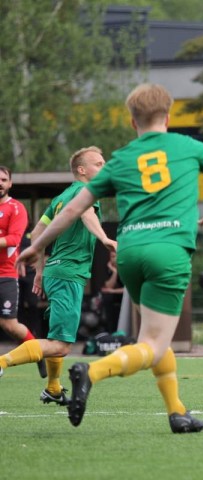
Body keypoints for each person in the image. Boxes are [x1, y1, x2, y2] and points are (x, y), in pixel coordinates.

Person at [16, 83, 203, 433]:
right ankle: (91, 372)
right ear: (169, 116)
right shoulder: (187, 146)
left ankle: (177, 412)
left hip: (129, 253)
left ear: (131, 122)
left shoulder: (122, 159)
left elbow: (74, 208)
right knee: (152, 344)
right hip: (168, 250)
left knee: (157, 335)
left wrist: (38, 244)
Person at [0, 147, 116, 407]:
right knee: (62, 345)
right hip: (67, 274)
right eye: (99, 163)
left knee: (56, 338)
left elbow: (38, 232)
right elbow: (86, 214)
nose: (104, 166)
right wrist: (105, 238)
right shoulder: (84, 194)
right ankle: (1, 362)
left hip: (56, 271)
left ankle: (53, 387)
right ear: (82, 170)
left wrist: (40, 270)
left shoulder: (61, 197)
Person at [0, 165, 46, 379]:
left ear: (10, 184)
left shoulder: (16, 208)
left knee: (9, 325)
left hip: (6, 275)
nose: (0, 183)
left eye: (3, 179)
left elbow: (14, 239)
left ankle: (37, 352)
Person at [100, 250, 125, 333]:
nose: (113, 259)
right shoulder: (109, 269)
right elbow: (108, 286)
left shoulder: (125, 268)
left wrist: (112, 291)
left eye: (115, 256)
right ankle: (110, 329)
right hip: (114, 295)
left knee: (110, 295)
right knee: (107, 297)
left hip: (124, 296)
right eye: (112, 257)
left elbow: (127, 290)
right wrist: (115, 272)